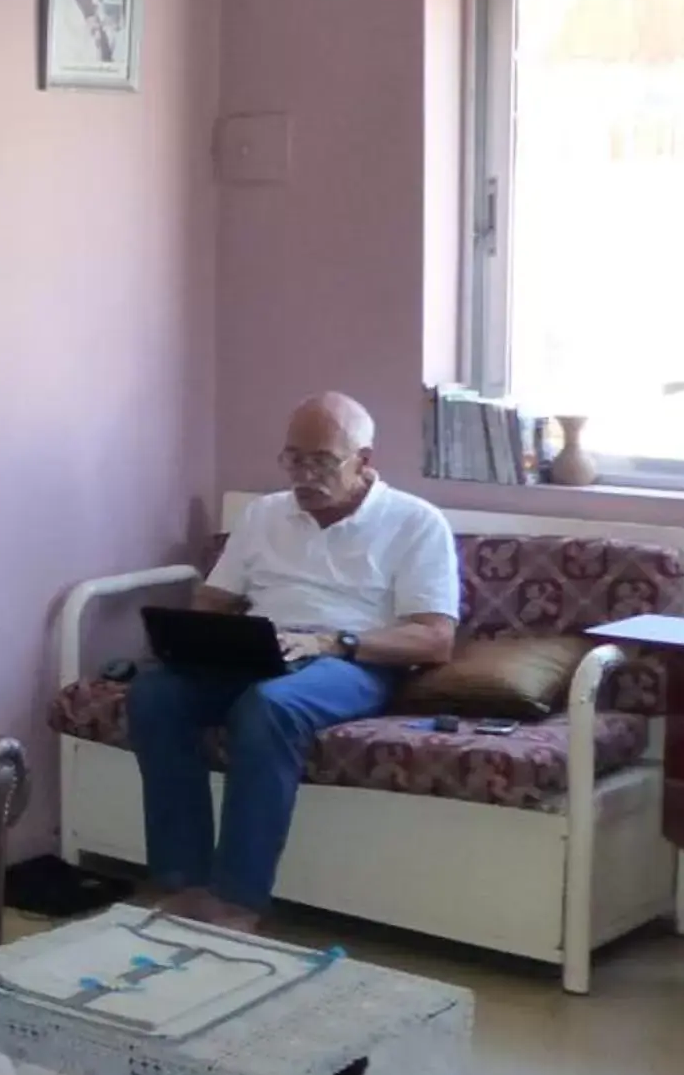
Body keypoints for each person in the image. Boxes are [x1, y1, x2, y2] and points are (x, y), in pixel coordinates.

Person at [124, 392, 458, 929]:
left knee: (269, 707)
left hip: (353, 662)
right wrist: (202, 637)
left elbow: (434, 639)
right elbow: (214, 599)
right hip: (261, 649)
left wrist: (335, 642)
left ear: (363, 460)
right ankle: (181, 881)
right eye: (293, 459)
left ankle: (238, 899)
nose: (304, 475)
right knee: (155, 694)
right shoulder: (264, 514)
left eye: (321, 461)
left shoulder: (415, 523)